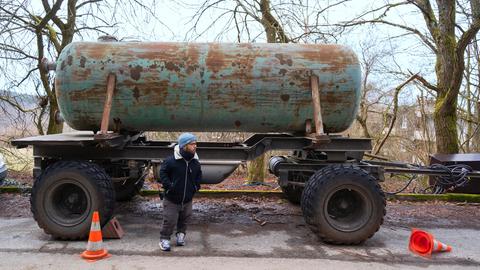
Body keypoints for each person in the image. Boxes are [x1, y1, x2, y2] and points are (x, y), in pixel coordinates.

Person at [158, 133, 202, 251]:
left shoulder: (195, 161)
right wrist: (169, 186)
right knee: (170, 220)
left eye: (195, 144)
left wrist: (196, 187)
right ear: (184, 146)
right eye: (192, 144)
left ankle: (181, 235)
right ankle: (164, 239)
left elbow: (199, 175)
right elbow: (162, 172)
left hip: (187, 199)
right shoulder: (171, 160)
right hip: (172, 199)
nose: (195, 146)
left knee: (185, 218)